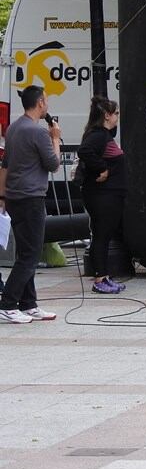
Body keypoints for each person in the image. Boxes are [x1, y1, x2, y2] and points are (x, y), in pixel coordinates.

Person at [0, 86, 61, 323]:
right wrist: (54, 138)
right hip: (31, 198)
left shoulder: (13, 128)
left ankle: (29, 303)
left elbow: (5, 166)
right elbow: (53, 164)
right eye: (45, 100)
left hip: (15, 198)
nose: (47, 104)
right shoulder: (37, 133)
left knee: (26, 252)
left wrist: (2, 196)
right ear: (40, 104)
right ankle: (8, 303)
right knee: (31, 255)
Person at [78, 96, 127, 294]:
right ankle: (99, 278)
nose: (117, 117)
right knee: (101, 234)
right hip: (102, 195)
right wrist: (102, 169)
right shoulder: (98, 135)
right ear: (106, 116)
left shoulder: (106, 135)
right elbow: (85, 150)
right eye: (115, 113)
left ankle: (105, 275)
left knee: (105, 235)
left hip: (112, 194)